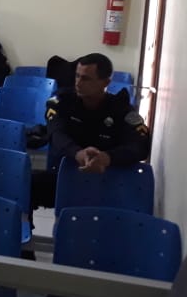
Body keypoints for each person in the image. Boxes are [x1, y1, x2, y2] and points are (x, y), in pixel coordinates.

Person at [31, 53, 151, 209]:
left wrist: (107, 158)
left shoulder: (121, 109)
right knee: (25, 182)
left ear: (105, 82)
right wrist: (78, 154)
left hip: (108, 179)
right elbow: (56, 134)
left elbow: (140, 146)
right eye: (77, 76)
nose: (78, 83)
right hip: (68, 174)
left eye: (86, 78)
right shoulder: (62, 102)